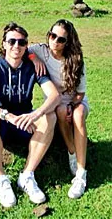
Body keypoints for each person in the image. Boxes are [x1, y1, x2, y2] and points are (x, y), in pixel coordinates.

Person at [0, 22, 61, 208]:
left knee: (50, 116)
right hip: (3, 121)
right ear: (4, 43)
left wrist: (35, 114)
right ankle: (2, 179)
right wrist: (7, 115)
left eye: (21, 43)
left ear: (26, 46)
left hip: (25, 120)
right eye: (11, 41)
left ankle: (27, 176)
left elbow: (54, 96)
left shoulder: (33, 67)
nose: (16, 46)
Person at [29, 19, 90, 199]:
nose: (55, 41)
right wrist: (34, 58)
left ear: (67, 42)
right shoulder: (42, 51)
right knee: (60, 111)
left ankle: (81, 173)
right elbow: (22, 50)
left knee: (77, 115)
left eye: (61, 39)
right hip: (56, 103)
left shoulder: (76, 59)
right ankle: (72, 151)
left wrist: (72, 105)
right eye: (52, 36)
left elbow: (80, 93)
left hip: (76, 101)